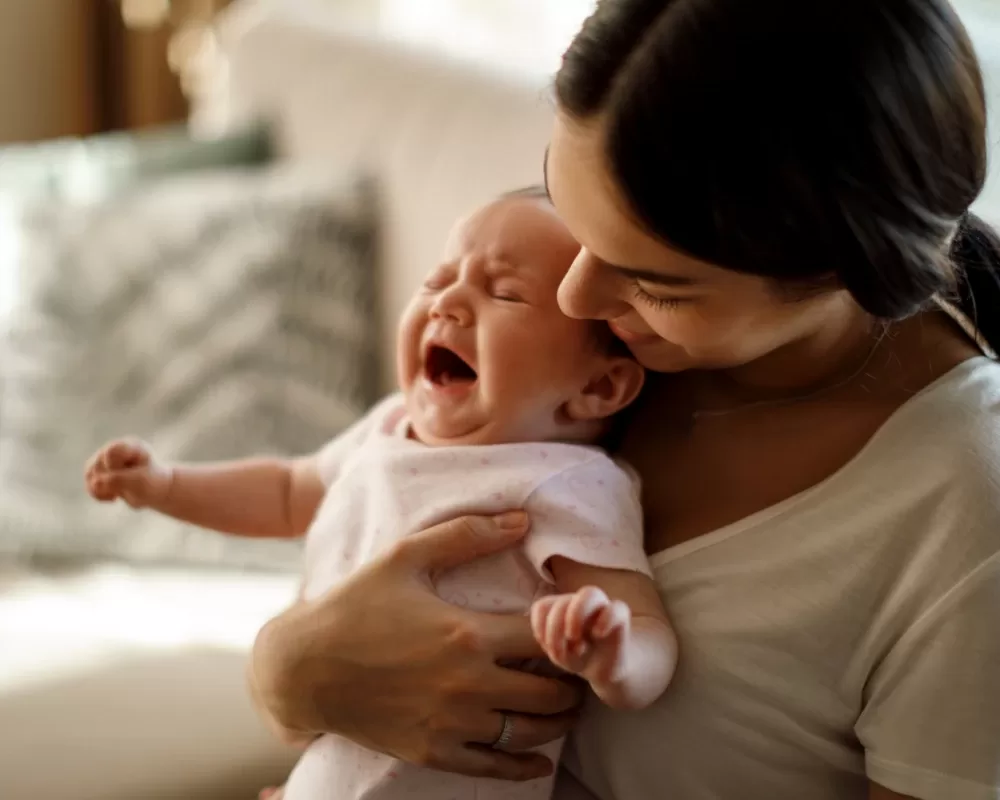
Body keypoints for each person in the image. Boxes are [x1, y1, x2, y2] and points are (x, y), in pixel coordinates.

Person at [244, 0, 1000, 798]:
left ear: (849, 267)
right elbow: (354, 602)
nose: (572, 297)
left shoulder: (963, 519)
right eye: (573, 222)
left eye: (654, 283)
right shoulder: (602, 352)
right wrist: (288, 673)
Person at [84, 192, 678, 800]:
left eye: (504, 293)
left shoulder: (565, 480)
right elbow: (288, 491)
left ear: (600, 387)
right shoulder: (389, 427)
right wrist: (166, 485)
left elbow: (651, 632)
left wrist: (613, 650)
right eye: (437, 280)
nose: (446, 302)